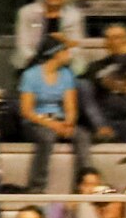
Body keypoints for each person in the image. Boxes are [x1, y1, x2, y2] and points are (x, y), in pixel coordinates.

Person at [17, 32, 92, 191]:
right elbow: (27, 111)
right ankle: (37, 186)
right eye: (65, 51)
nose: (68, 54)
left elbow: (70, 106)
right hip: (36, 122)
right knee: (47, 137)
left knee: (83, 136)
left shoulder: (66, 74)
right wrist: (52, 124)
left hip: (59, 120)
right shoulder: (30, 75)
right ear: (56, 53)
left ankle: (85, 183)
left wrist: (68, 122)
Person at [12, 0, 86, 69]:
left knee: (80, 73)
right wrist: (40, 66)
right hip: (31, 64)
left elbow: (76, 46)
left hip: (64, 65)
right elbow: (23, 45)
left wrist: (58, 62)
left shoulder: (73, 16)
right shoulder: (26, 13)